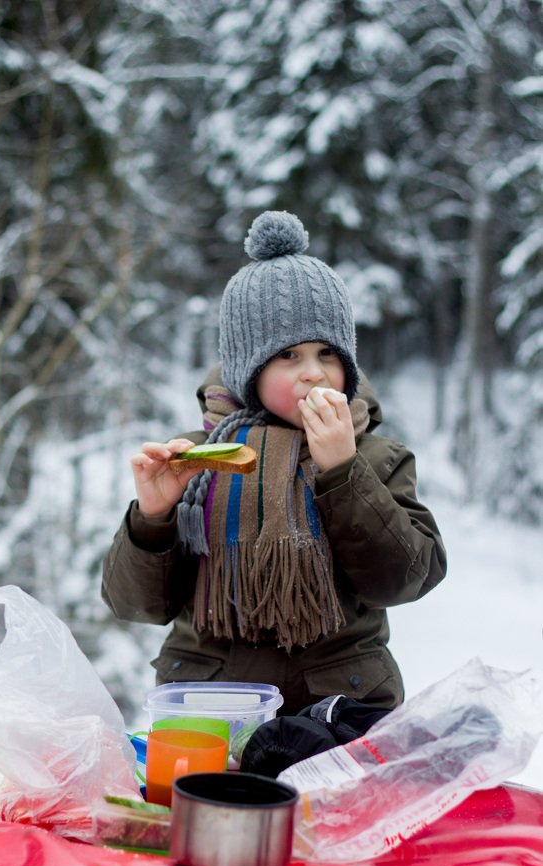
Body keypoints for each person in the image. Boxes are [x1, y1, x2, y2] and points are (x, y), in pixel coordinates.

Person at [102, 210, 447, 716]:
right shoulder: (196, 460)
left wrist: (342, 474)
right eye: (288, 356)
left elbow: (406, 579)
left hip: (336, 711)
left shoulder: (376, 457)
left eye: (327, 353)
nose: (314, 374)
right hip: (212, 711)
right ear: (249, 369)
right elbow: (135, 605)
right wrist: (153, 519)